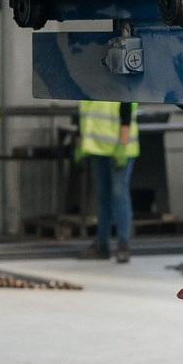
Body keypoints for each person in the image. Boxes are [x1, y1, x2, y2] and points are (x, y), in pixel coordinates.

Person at [77, 100, 139, 263]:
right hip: (97, 147)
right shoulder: (89, 87)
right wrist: (80, 141)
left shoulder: (117, 84)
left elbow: (126, 107)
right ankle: (102, 244)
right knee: (103, 196)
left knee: (119, 195)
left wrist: (122, 144)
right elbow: (84, 113)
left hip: (119, 147)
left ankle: (123, 244)